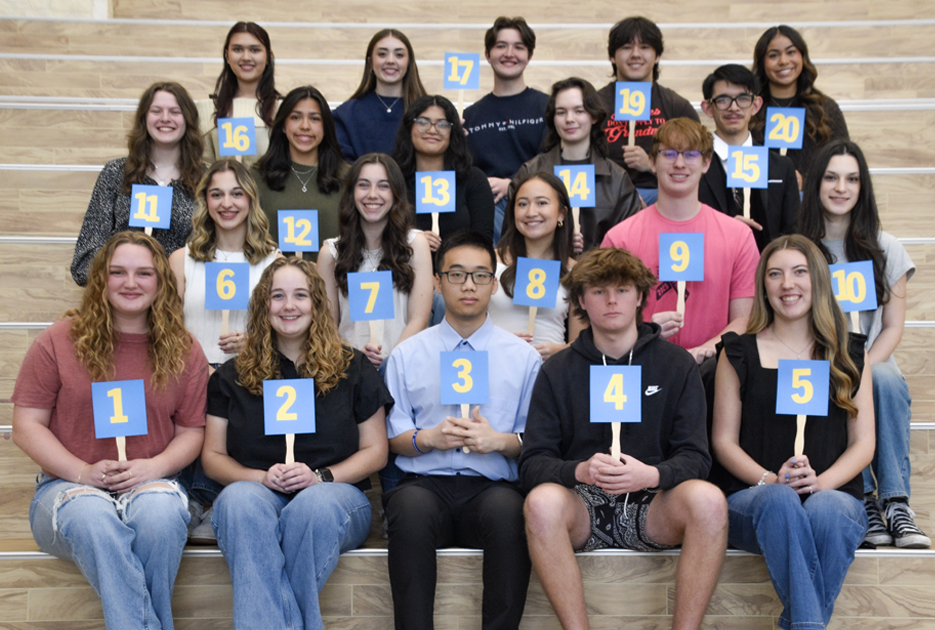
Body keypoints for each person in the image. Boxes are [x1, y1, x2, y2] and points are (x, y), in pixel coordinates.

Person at [521, 247, 727, 630]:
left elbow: (696, 457)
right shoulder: (557, 370)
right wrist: (579, 470)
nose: (611, 300)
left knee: (709, 500)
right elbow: (533, 462)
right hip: (582, 506)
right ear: (581, 300)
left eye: (622, 289)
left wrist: (652, 475)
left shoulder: (677, 364)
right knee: (541, 503)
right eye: (599, 291)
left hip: (654, 505)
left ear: (640, 297)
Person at [13, 231, 209, 630]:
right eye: (118, 272)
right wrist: (83, 472)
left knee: (160, 516)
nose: (130, 283)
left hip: (151, 483)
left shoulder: (185, 349)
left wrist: (153, 468)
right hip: (67, 488)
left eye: (144, 273)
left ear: (161, 282)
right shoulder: (57, 341)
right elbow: (26, 425)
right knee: (93, 515)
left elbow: (191, 431)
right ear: (101, 278)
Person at [203, 256, 392, 630]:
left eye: (300, 295)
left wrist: (320, 477)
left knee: (312, 506)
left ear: (317, 303)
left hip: (335, 496)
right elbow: (212, 456)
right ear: (263, 305)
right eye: (277, 296)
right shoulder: (231, 375)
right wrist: (259, 478)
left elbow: (376, 451)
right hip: (259, 493)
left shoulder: (353, 367)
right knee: (238, 501)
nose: (289, 306)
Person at [711, 234, 874, 629]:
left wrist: (820, 484)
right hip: (754, 500)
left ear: (817, 279)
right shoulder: (737, 352)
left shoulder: (850, 353)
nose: (788, 284)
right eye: (775, 274)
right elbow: (723, 441)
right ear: (763, 285)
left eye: (799, 272)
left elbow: (864, 443)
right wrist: (770, 480)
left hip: (834, 497)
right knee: (780, 500)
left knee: (827, 509)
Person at [383, 230, 541, 630]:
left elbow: (536, 442)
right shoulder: (407, 354)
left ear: (493, 284)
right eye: (456, 275)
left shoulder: (523, 358)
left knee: (510, 515)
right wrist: (428, 438)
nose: (468, 285)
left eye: (480, 275)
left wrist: (498, 441)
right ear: (438, 283)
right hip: (424, 483)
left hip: (492, 486)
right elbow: (392, 437)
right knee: (409, 512)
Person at [798, 140, 928, 548]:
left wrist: (864, 365)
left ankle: (896, 503)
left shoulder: (886, 247)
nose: (841, 188)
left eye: (852, 179)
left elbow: (892, 326)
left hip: (872, 360)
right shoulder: (799, 249)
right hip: (816, 363)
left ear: (862, 186)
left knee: (882, 379)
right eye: (832, 178)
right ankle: (864, 500)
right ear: (817, 183)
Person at [601, 118, 759, 367]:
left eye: (691, 154)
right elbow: (604, 316)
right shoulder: (620, 238)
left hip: (713, 367)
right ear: (652, 162)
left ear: (706, 163)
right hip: (639, 363)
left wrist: (706, 350)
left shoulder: (738, 235)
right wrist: (643, 330)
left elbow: (745, 319)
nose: (679, 163)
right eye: (669, 154)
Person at [72, 82, 205, 286]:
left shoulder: (206, 179)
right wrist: (125, 269)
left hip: (180, 298)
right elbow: (84, 262)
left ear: (188, 119)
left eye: (175, 111)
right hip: (125, 296)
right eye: (156, 111)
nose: (165, 118)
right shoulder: (115, 174)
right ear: (144, 118)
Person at [317, 153, 433, 372]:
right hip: (349, 369)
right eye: (363, 185)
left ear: (396, 193)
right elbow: (327, 327)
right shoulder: (331, 253)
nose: (372, 194)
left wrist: (391, 362)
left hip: (404, 367)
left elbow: (419, 320)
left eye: (383, 186)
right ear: (351, 192)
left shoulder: (415, 244)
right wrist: (356, 358)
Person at [170, 158, 281, 368]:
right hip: (193, 374)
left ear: (250, 199)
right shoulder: (180, 260)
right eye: (217, 194)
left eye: (237, 194)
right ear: (205, 200)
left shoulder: (274, 263)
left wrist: (255, 343)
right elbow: (166, 327)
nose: (227, 203)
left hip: (252, 373)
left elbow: (287, 333)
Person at [514, 77, 642, 252]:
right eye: (561, 112)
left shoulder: (617, 179)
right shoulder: (530, 172)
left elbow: (630, 244)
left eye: (579, 111)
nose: (569, 119)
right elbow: (512, 238)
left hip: (600, 268)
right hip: (543, 267)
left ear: (594, 116)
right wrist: (555, 243)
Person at [463, 16, 549, 243]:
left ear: (529, 56)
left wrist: (513, 184)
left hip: (535, 201)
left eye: (518, 47)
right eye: (501, 46)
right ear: (487, 54)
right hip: (487, 206)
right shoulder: (470, 115)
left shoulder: (547, 107)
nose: (509, 53)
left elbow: (551, 161)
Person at [597, 17, 700, 206]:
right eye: (626, 47)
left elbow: (696, 163)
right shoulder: (595, 105)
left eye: (644, 47)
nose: (635, 54)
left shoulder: (677, 106)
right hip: (608, 196)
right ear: (612, 56)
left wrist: (652, 165)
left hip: (663, 194)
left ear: (657, 55)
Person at [699, 64, 799, 252]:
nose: (733, 107)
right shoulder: (692, 165)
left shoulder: (781, 167)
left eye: (743, 99)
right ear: (708, 108)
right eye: (723, 100)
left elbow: (792, 232)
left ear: (756, 105)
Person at [489, 171, 586, 360]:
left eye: (542, 203)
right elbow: (466, 324)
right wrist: (495, 340)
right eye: (522, 204)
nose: (531, 212)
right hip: (496, 363)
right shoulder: (489, 261)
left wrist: (559, 351)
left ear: (562, 213)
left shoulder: (576, 271)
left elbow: (580, 343)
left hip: (551, 369)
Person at [253, 85, 348, 255]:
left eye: (315, 119)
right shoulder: (256, 177)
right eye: (295, 117)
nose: (305, 126)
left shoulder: (348, 177)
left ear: (326, 127)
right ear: (283, 125)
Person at [393, 95, 495, 250]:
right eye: (423, 122)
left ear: (453, 132)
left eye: (442, 124)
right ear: (409, 127)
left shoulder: (473, 179)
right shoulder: (393, 178)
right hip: (405, 264)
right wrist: (412, 240)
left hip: (459, 264)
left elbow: (483, 243)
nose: (432, 130)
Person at [751, 25, 849, 182]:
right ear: (762, 62)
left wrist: (805, 182)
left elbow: (844, 164)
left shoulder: (826, 108)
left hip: (812, 197)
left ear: (802, 57)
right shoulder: (749, 110)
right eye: (773, 55)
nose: (784, 61)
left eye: (791, 52)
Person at [334, 29, 427, 161]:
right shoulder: (345, 115)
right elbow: (343, 167)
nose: (390, 60)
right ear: (370, 62)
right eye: (382, 54)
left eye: (399, 55)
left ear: (409, 62)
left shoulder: (428, 113)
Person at [198, 21, 280, 166]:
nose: (246, 57)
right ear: (227, 55)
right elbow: (203, 166)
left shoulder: (283, 108)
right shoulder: (208, 107)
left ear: (268, 56)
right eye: (237, 49)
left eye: (255, 50)